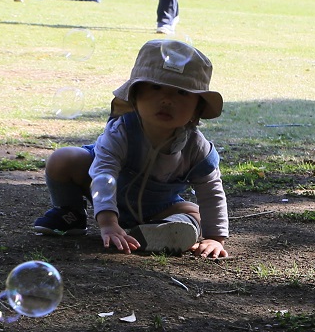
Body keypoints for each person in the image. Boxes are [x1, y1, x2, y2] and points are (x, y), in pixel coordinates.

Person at [32, 40, 229, 259]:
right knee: (64, 158)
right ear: (134, 96)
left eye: (182, 93)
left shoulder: (196, 147)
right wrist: (107, 222)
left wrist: (215, 237)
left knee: (195, 213)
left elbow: (211, 191)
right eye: (155, 87)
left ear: (196, 110)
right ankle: (70, 213)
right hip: (107, 192)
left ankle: (161, 230)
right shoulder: (122, 131)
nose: (166, 99)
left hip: (157, 207)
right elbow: (103, 172)